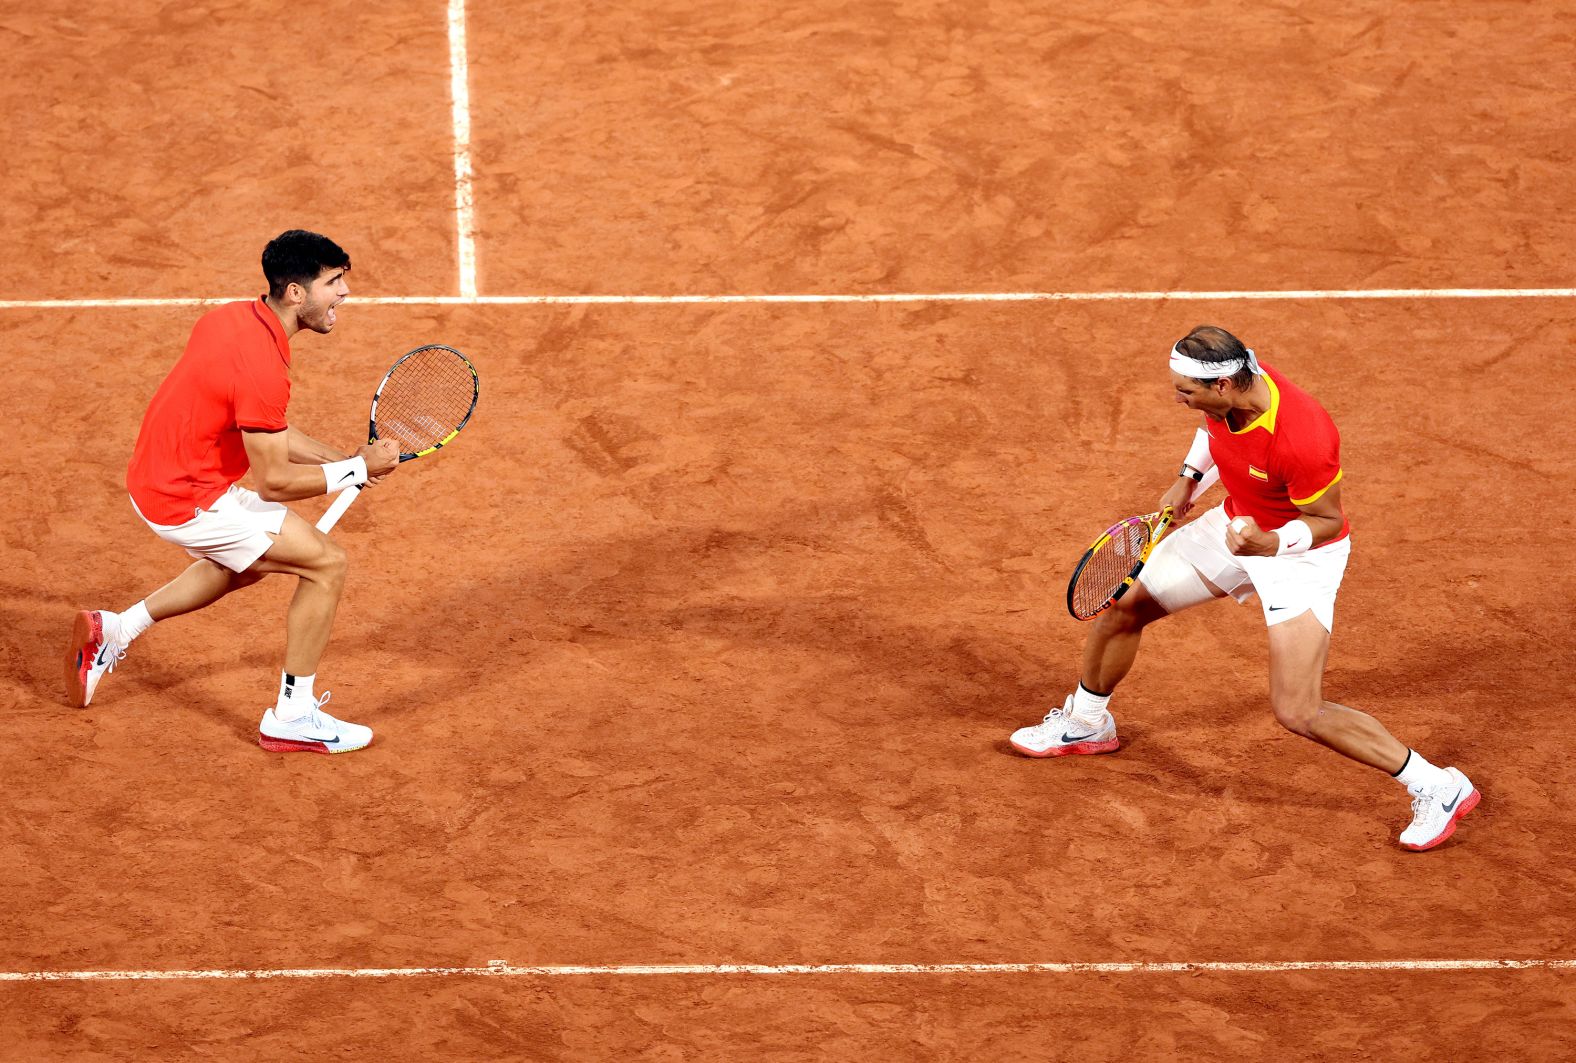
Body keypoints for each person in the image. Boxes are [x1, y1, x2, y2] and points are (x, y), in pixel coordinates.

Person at [1009, 325, 1478, 851]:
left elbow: (1327, 520)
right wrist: (1189, 478)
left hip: (1299, 557)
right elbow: (1212, 430)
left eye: (1187, 389)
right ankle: (1087, 723)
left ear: (1227, 383)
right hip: (1233, 527)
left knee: (1299, 710)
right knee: (1124, 604)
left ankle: (1437, 785)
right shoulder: (1231, 391)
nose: (1177, 397)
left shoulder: (1303, 437)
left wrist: (1271, 545)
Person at [64, 230, 399, 753]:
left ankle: (116, 630)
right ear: (295, 292)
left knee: (243, 563)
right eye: (333, 283)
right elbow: (274, 481)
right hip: (185, 497)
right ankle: (292, 716)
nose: (344, 294)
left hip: (158, 475)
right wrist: (355, 470)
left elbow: (268, 430)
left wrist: (342, 458)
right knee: (325, 564)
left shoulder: (233, 317)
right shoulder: (264, 366)